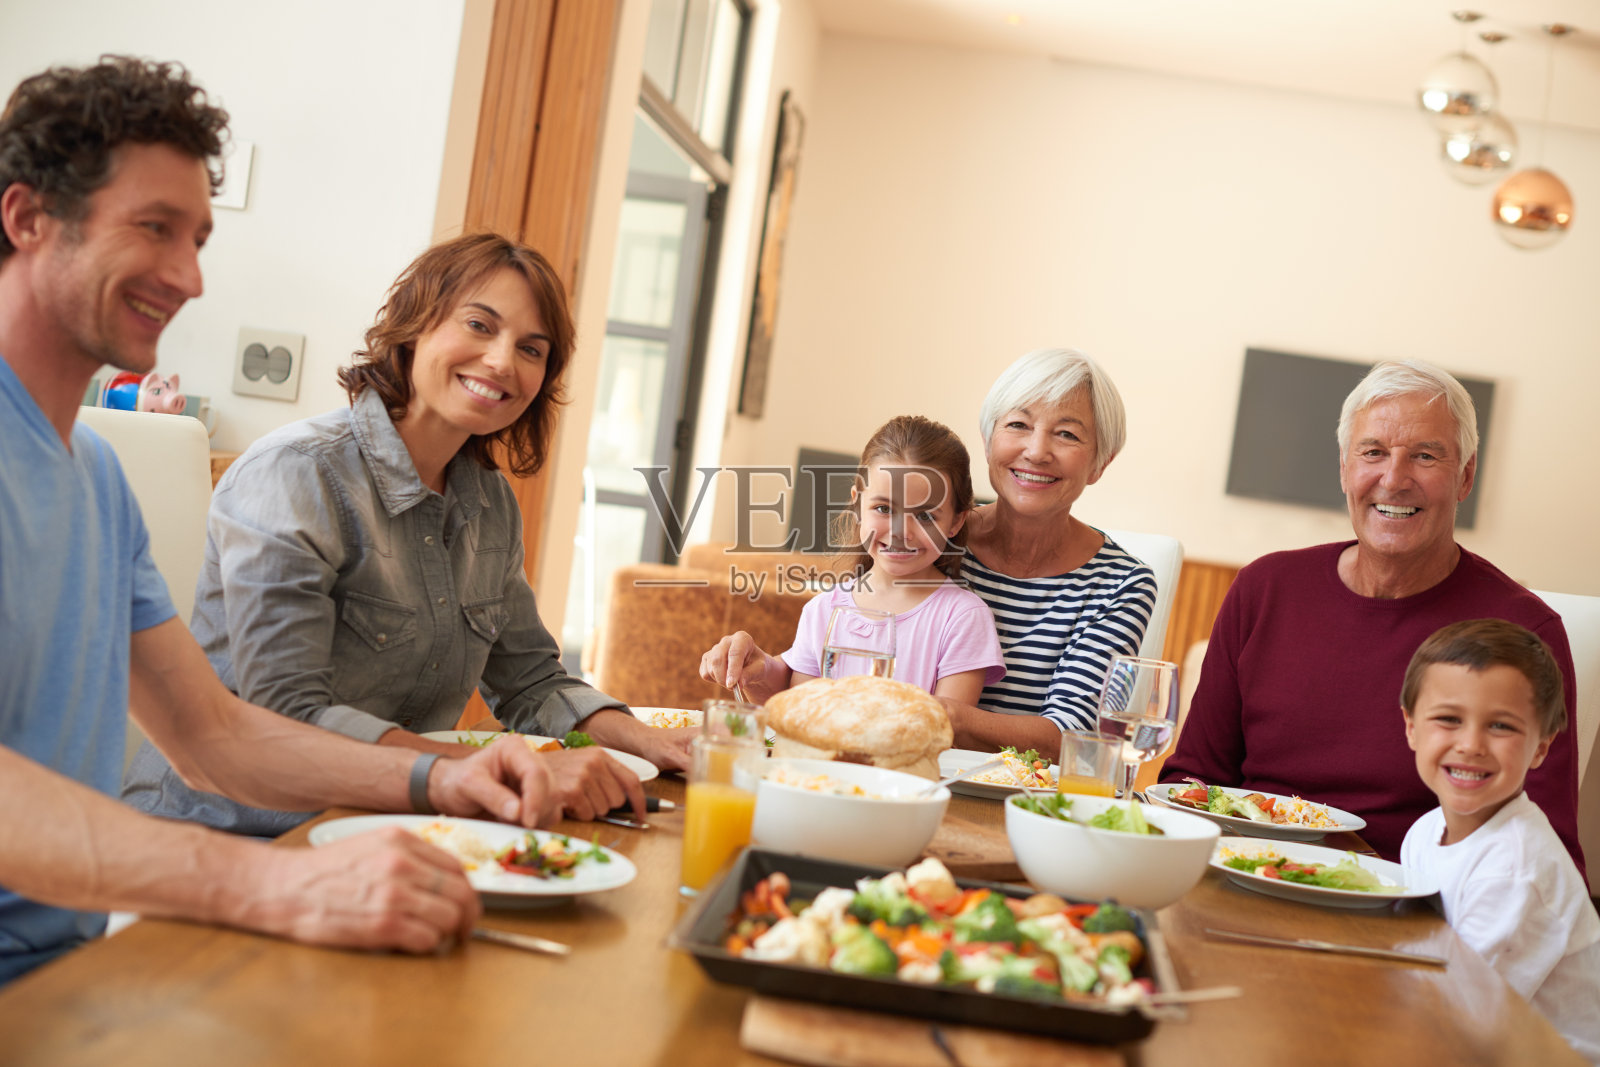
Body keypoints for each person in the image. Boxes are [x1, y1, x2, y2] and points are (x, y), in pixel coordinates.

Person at [0, 56, 560, 984]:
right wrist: (273, 885)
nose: (190, 276)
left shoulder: (95, 479)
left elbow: (213, 736)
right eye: (155, 229)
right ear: (26, 219)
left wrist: (442, 779)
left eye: (199, 239)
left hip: (66, 964)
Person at [122, 232, 683, 836]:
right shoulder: (296, 472)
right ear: (415, 325)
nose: (501, 361)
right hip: (223, 834)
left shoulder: (489, 503)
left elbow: (531, 680)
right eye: (478, 324)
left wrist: (655, 745)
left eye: (531, 349)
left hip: (381, 828)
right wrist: (486, 770)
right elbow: (288, 713)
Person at [1165, 360, 1584, 873]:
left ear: (1465, 476)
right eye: (1374, 453)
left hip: (1410, 906)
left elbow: (1545, 850)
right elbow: (1193, 778)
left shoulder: (1524, 634)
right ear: (1344, 467)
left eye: (1425, 456)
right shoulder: (1264, 588)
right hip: (1243, 876)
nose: (1394, 478)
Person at [1398, 620, 1600, 1063]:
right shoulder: (1424, 833)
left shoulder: (1516, 870)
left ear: (1541, 747)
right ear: (1411, 727)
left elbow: (1459, 1022)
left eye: (1501, 726)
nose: (1471, 744)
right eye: (1449, 719)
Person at [699, 415, 1006, 703]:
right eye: (884, 509)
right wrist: (755, 671)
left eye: (925, 515)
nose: (901, 532)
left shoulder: (963, 618)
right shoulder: (822, 609)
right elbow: (802, 715)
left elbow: (947, 728)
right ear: (858, 505)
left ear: (956, 521)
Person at [942, 349, 1157, 753]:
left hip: (1024, 802)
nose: (1037, 451)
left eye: (1067, 434)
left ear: (1100, 464)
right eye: (1018, 424)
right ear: (988, 442)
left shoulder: (1122, 584)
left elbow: (1072, 739)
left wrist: (944, 717)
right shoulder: (932, 543)